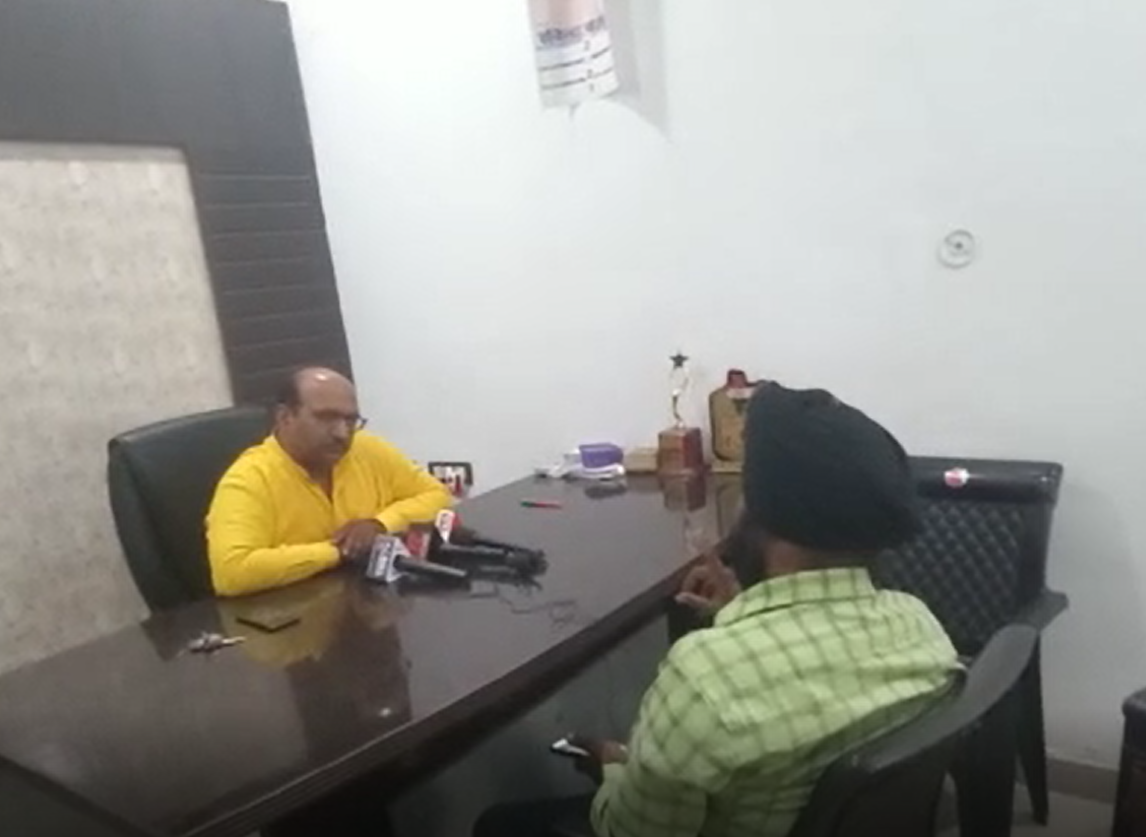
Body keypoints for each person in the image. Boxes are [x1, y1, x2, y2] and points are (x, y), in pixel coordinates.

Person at [473, 384, 960, 837]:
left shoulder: (705, 680)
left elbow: (629, 832)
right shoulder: (921, 628)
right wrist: (741, 613)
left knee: (501, 824)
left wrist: (614, 764)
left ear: (768, 514)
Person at [206, 367, 452, 596]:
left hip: (365, 602)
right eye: (326, 418)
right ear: (285, 417)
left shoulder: (366, 448)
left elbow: (436, 494)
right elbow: (232, 572)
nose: (342, 433)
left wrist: (380, 525)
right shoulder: (248, 479)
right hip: (291, 614)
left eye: (350, 420)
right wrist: (340, 550)